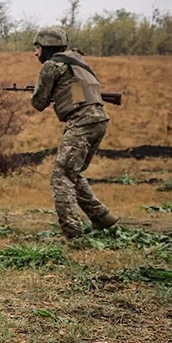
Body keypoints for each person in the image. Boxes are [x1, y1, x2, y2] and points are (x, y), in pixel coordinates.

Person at [30, 26, 118, 238]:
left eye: (38, 48)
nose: (35, 53)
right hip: (99, 120)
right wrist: (59, 95)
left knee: (60, 178)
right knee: (72, 173)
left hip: (82, 124)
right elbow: (77, 94)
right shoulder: (77, 64)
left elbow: (38, 103)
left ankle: (73, 234)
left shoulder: (52, 66)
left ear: (48, 47)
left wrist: (43, 93)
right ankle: (102, 218)